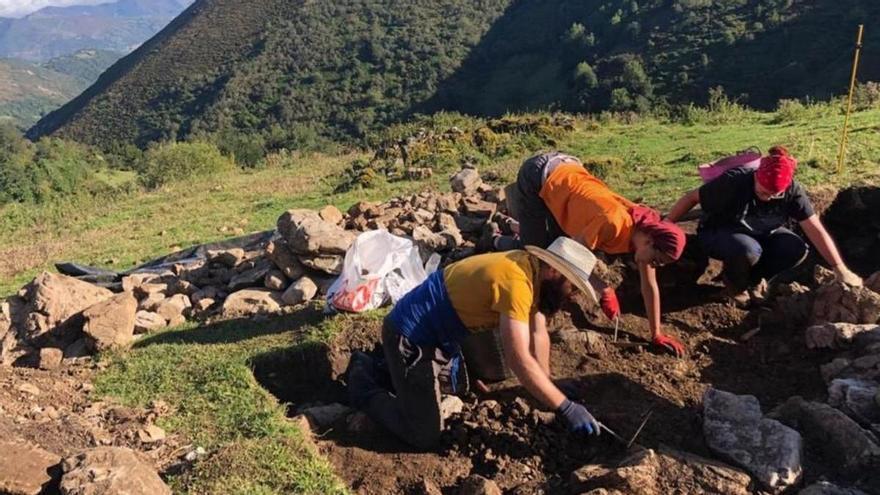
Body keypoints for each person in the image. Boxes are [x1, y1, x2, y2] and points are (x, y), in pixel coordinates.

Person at [346, 237, 603, 450]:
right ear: (554, 271)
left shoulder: (533, 271)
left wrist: (549, 382)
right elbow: (519, 358)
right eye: (574, 287)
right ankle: (363, 380)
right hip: (410, 335)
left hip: (444, 332)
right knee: (423, 435)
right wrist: (565, 406)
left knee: (477, 378)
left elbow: (538, 331)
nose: (573, 295)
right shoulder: (517, 282)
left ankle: (389, 369)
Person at [499, 151, 687, 356]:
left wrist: (656, 333)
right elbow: (565, 257)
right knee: (534, 254)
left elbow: (650, 286)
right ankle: (494, 239)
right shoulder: (613, 224)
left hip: (567, 180)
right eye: (657, 261)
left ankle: (508, 225)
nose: (655, 265)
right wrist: (604, 289)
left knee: (551, 241)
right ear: (651, 242)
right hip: (540, 174)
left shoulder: (644, 234)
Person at [666, 146, 862, 305]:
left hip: (762, 233)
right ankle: (735, 287)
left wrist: (840, 269)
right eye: (762, 192)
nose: (767, 198)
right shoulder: (735, 181)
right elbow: (692, 197)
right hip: (720, 232)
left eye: (773, 195)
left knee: (796, 247)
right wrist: (667, 224)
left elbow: (814, 228)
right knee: (748, 249)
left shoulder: (793, 191)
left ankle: (754, 281)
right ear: (756, 176)